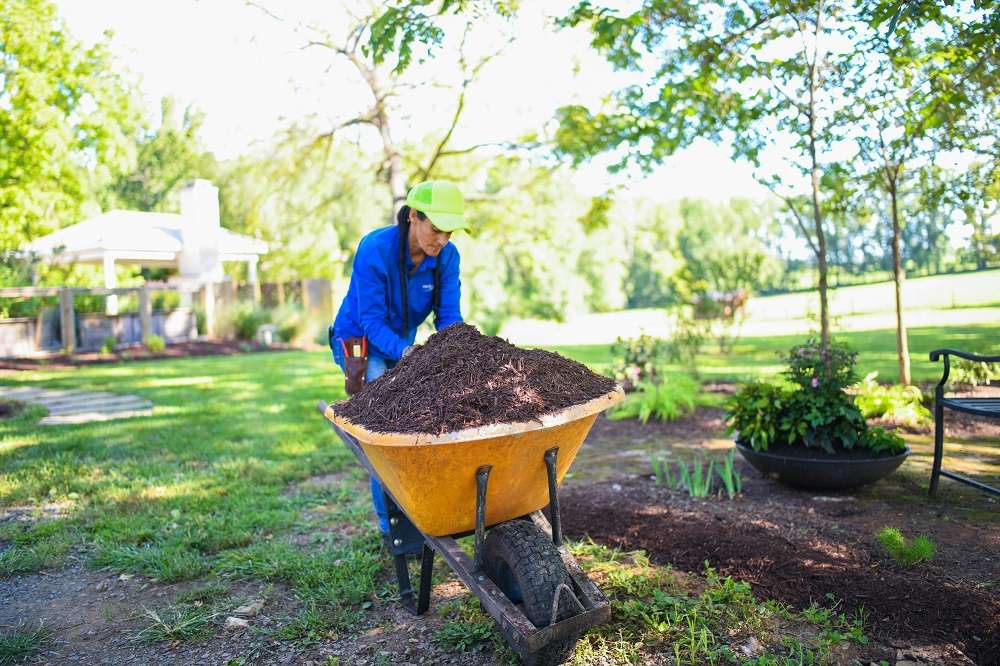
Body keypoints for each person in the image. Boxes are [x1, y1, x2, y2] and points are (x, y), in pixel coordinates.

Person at [329, 180, 469, 533]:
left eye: (449, 232)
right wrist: (407, 353)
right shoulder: (374, 248)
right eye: (436, 229)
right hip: (362, 340)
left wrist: (458, 348)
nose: (441, 240)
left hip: (403, 344)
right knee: (387, 426)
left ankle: (426, 511)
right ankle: (393, 528)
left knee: (423, 417)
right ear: (412, 217)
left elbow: (449, 316)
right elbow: (370, 319)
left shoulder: (447, 258)